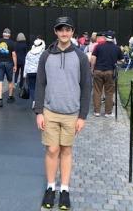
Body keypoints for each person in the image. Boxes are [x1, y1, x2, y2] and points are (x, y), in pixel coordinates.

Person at [34, 16, 91, 210]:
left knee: (66, 150)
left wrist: (83, 116)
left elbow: (86, 87)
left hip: (71, 113)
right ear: (56, 32)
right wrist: (39, 112)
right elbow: (40, 84)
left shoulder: (81, 57)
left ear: (72, 32)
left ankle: (64, 189)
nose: (64, 33)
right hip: (50, 111)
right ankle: (50, 187)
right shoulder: (46, 56)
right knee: (52, 150)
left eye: (67, 30)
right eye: (61, 30)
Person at [91, 30, 123, 117]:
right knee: (109, 92)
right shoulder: (117, 48)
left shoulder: (98, 46)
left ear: (105, 37)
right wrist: (115, 62)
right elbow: (122, 60)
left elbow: (93, 58)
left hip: (98, 70)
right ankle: (108, 112)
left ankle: (97, 111)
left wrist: (92, 69)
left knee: (97, 91)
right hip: (110, 71)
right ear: (113, 38)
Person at [0, 28, 17, 107]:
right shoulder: (12, 43)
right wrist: (15, 65)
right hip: (9, 63)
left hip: (0, 63)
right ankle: (10, 97)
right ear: (9, 35)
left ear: (3, 34)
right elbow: (14, 55)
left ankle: (0, 99)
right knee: (10, 80)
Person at [23, 38, 45, 109]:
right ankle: (40, 102)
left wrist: (24, 74)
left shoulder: (29, 53)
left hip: (30, 72)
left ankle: (34, 101)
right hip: (39, 72)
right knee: (40, 87)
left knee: (32, 87)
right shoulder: (42, 53)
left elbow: (26, 63)